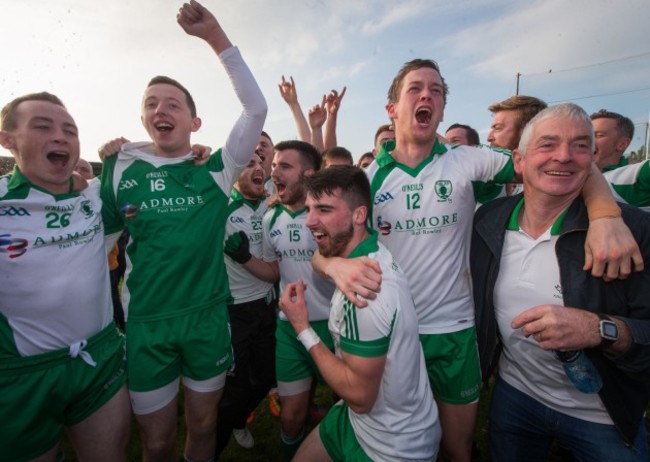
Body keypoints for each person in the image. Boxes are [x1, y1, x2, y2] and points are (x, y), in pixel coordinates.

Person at [315, 59, 642, 462]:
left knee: (457, 448)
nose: (427, 95)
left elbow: (558, 164)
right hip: (394, 333)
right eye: (415, 88)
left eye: (436, 90)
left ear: (441, 109)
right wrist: (333, 266)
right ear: (392, 109)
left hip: (454, 331)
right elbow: (323, 242)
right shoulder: (368, 180)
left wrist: (605, 212)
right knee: (394, 442)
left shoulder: (467, 159)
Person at [99, 2, 267, 461]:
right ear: (143, 119)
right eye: (151, 103)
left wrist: (216, 37)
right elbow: (96, 251)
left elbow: (256, 108)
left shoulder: (216, 167)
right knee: (156, 442)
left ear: (194, 123)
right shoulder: (119, 170)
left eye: (172, 103)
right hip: (146, 326)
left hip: (207, 320)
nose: (160, 109)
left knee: (204, 426)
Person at [471, 103, 650, 461]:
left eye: (581, 145)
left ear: (593, 158)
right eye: (548, 144)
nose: (565, 156)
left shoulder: (631, 233)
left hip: (602, 415)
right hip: (515, 395)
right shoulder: (488, 220)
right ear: (519, 162)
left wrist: (600, 329)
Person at [0, 92, 130, 461]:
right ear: (7, 140)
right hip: (21, 375)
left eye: (70, 130)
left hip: (99, 359)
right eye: (43, 127)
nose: (60, 136)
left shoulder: (95, 198)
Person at [280, 166, 440, 461]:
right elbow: (320, 257)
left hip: (389, 446)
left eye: (324, 210)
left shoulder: (364, 291)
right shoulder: (363, 253)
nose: (310, 221)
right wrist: (330, 266)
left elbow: (359, 397)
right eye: (309, 208)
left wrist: (302, 327)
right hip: (360, 421)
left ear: (358, 215)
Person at [227, 140, 335, 460]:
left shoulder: (329, 214)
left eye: (284, 166)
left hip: (334, 326)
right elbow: (275, 271)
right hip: (290, 330)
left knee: (352, 410)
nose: (274, 171)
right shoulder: (270, 218)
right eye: (274, 165)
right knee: (290, 419)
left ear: (309, 174)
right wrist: (245, 257)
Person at [215, 154, 276, 455]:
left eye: (260, 162)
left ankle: (238, 416)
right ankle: (211, 447)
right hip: (234, 312)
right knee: (234, 389)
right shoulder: (220, 207)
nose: (257, 167)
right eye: (249, 162)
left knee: (267, 377)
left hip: (267, 306)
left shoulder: (272, 205)